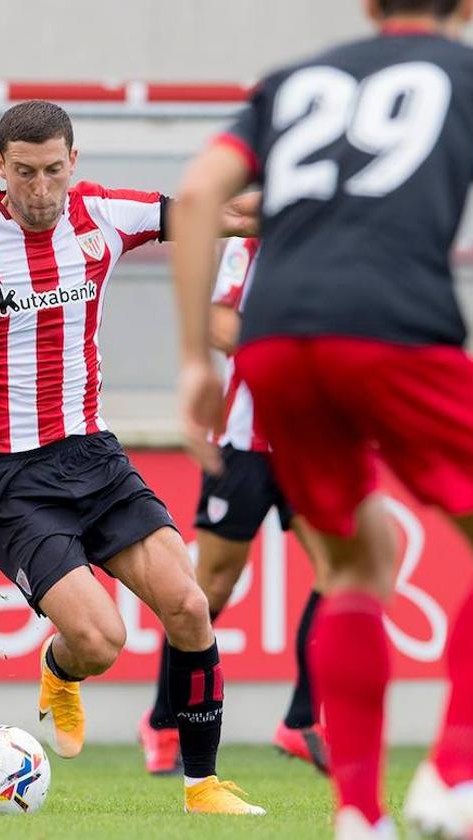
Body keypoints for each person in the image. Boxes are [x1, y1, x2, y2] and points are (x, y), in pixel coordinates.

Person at [170, 0, 473, 836]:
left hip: (276, 344)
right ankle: (452, 775)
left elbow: (196, 196)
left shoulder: (293, 81)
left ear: (369, 7)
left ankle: (359, 816)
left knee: (357, 566)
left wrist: (195, 358)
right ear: (469, 7)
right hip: (399, 328)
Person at [0, 99, 265, 815]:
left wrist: (326, 208)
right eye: (24, 174)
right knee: (100, 643)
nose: (39, 191)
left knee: (190, 607)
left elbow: (221, 216)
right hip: (13, 478)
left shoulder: (106, 214)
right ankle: (59, 666)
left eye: (52, 172)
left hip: (96, 457)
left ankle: (202, 787)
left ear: (73, 162)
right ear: (0, 168)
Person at [140, 237, 328, 776]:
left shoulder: (348, 238)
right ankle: (163, 721)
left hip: (312, 448)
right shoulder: (253, 243)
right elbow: (221, 325)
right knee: (208, 591)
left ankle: (300, 721)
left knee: (344, 574)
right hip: (246, 446)